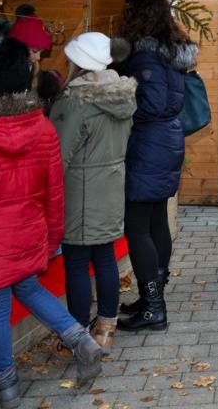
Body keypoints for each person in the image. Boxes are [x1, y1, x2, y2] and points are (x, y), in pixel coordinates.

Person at [0, 39, 103, 407]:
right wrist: (52, 239)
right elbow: (55, 191)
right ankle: (82, 340)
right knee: (29, 288)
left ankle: (6, 387)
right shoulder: (43, 128)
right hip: (29, 229)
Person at [114, 0, 198, 332]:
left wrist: (121, 104)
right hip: (166, 141)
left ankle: (153, 306)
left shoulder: (146, 58)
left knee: (138, 226)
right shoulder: (168, 54)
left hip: (148, 142)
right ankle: (153, 297)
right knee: (156, 221)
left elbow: (151, 104)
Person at [49, 32, 136, 355]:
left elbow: (59, 154)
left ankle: (78, 333)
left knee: (76, 263)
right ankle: (106, 329)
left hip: (81, 190)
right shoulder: (120, 94)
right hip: (111, 185)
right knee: (105, 260)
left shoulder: (74, 101)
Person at [7, 5, 63, 111]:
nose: (38, 57)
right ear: (19, 49)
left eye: (41, 52)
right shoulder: (2, 74)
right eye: (34, 51)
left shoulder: (43, 79)